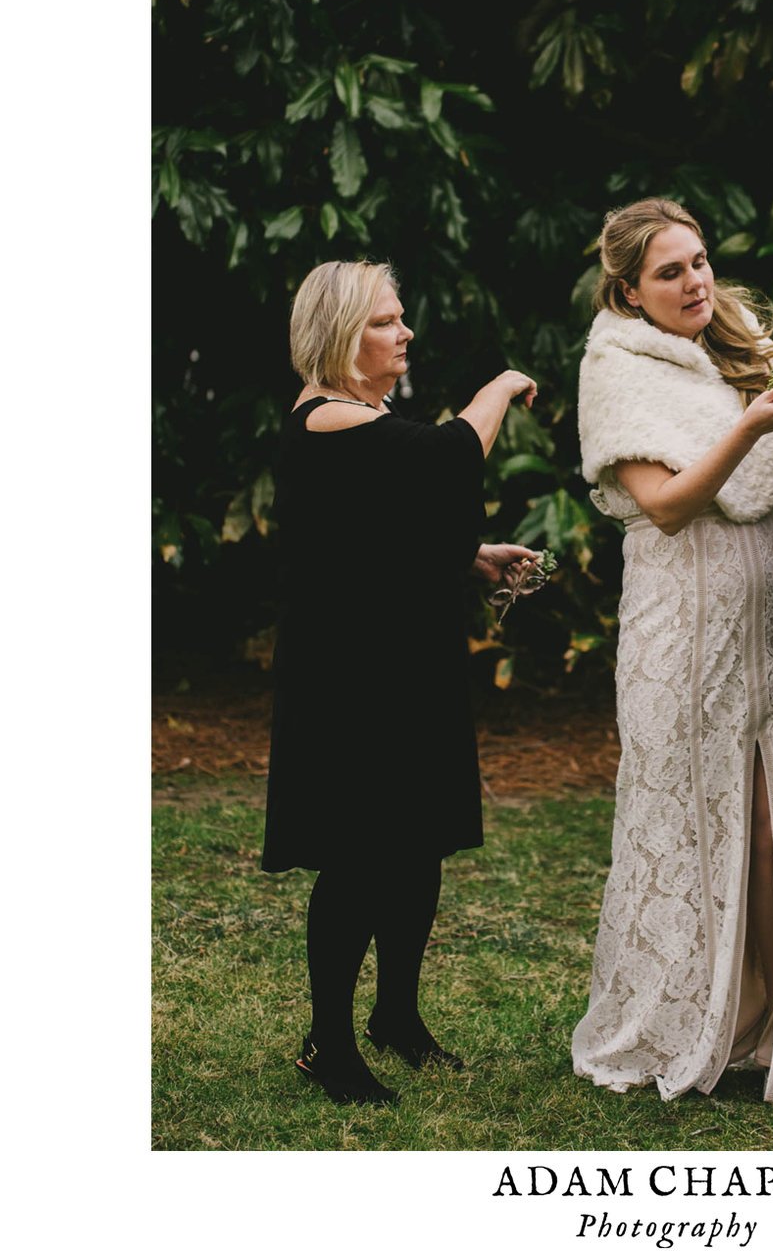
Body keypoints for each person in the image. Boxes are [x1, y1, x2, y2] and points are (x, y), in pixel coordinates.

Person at [568, 198, 773, 1108]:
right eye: (670, 271)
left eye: (698, 262)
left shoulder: (728, 341)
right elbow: (666, 502)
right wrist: (752, 424)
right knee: (689, 807)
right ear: (628, 288)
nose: (695, 281)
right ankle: (698, 1013)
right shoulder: (614, 367)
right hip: (678, 616)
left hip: (765, 601)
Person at [263, 258, 541, 1106]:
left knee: (416, 846)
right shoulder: (326, 418)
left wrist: (473, 555)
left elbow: (383, 529)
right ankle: (328, 1042)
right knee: (358, 857)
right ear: (344, 335)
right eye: (387, 320)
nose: (405, 332)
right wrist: (499, 385)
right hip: (352, 676)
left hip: (407, 661)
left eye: (401, 316)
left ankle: (397, 1016)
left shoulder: (367, 418)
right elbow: (448, 459)